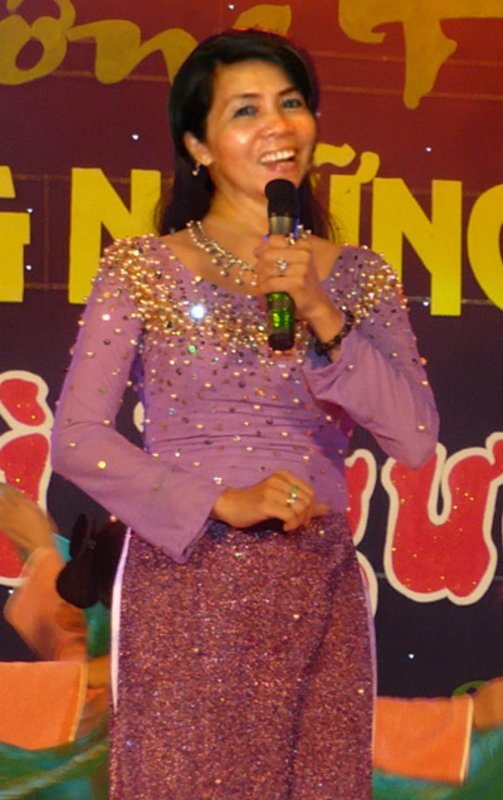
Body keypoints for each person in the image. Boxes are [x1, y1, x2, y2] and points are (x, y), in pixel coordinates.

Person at [51, 28, 439, 799]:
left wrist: (320, 310)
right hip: (190, 581)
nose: (277, 126)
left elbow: (416, 438)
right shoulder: (143, 267)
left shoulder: (358, 277)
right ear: (197, 145)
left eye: (290, 103)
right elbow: (77, 440)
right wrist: (220, 502)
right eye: (245, 110)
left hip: (317, 583)